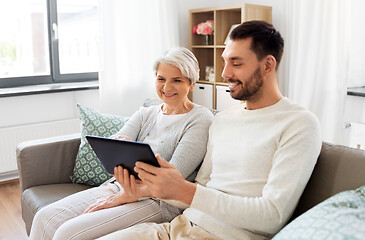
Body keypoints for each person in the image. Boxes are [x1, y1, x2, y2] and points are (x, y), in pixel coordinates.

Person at [96, 21, 322, 240]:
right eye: (225, 61)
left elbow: (272, 216)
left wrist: (184, 190)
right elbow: (201, 189)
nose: (224, 73)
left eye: (236, 63)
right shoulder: (223, 120)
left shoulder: (299, 123)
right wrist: (146, 190)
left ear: (267, 65)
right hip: (177, 228)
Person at [29, 47, 214, 240]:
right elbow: (116, 145)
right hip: (122, 186)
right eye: (161, 79)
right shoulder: (147, 112)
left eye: (177, 80)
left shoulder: (200, 118)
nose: (167, 87)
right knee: (45, 218)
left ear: (191, 84)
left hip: (159, 200)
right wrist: (120, 150)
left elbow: (172, 180)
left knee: (67, 234)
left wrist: (129, 195)